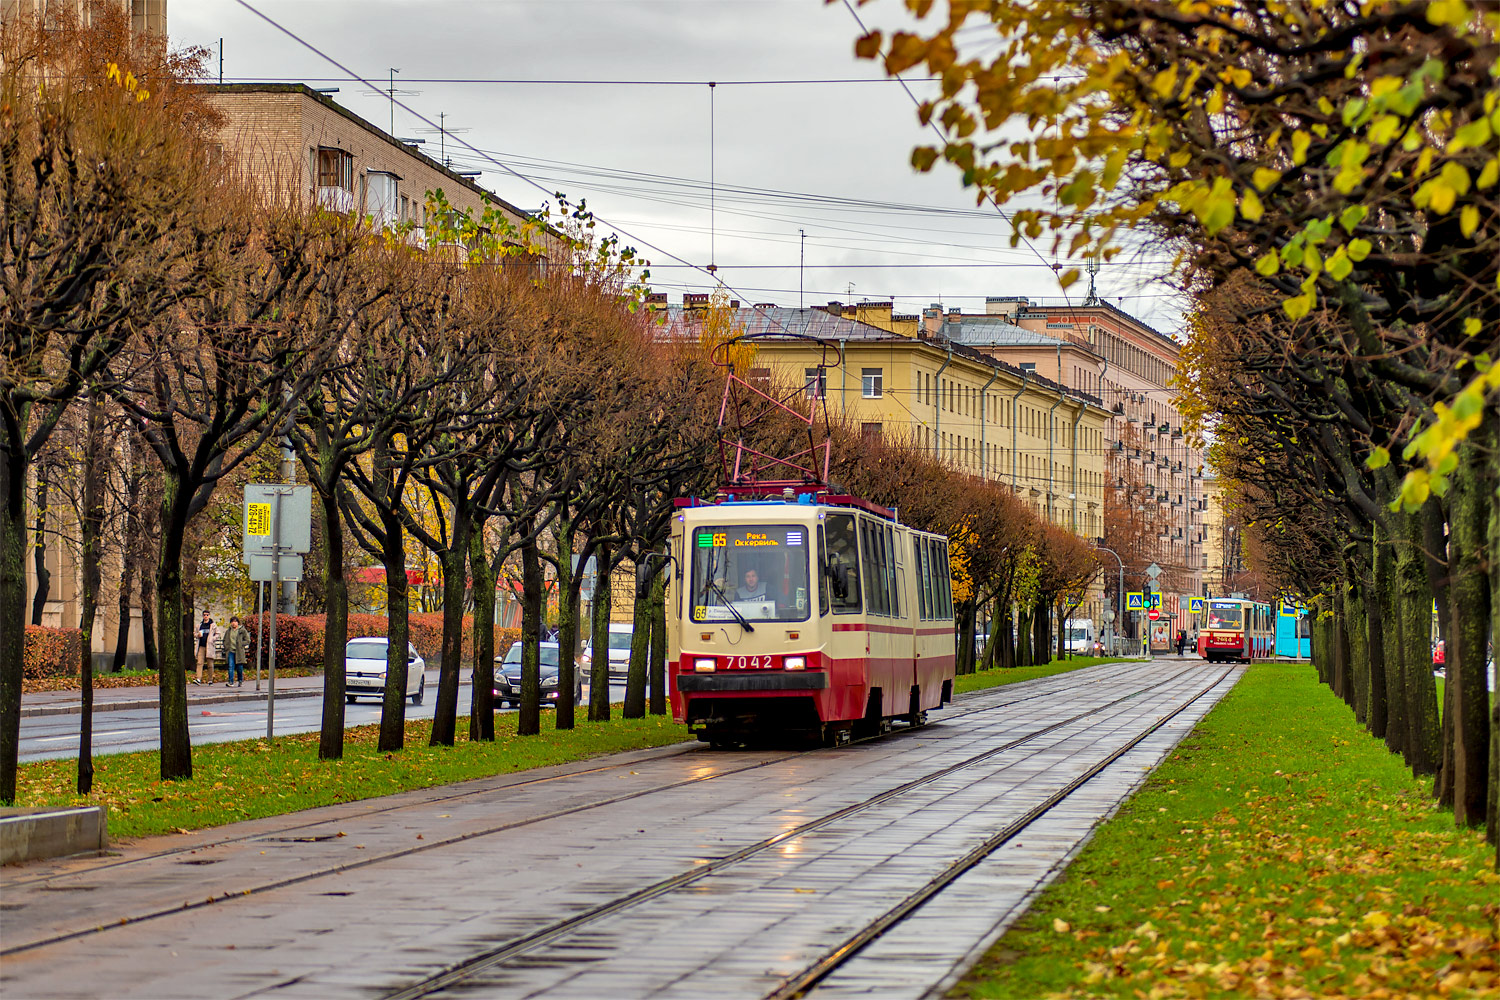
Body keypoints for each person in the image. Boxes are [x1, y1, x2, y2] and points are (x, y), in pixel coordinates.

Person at [223, 616, 251, 688]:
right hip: (231, 651)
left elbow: (248, 640)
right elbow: (225, 640)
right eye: (232, 622)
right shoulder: (228, 631)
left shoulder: (242, 630)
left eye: (235, 622)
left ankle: (240, 680)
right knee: (230, 666)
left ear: (238, 623)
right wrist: (226, 647)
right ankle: (231, 681)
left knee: (239, 667)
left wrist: (241, 643)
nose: (233, 623)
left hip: (239, 651)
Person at [194, 610, 217, 685]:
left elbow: (218, 633)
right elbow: (195, 633)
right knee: (199, 662)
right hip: (201, 646)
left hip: (209, 646)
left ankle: (210, 679)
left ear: (209, 615)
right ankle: (198, 678)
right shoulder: (200, 625)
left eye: (207, 615)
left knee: (210, 664)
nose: (205, 616)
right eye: (204, 615)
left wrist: (212, 639)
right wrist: (198, 635)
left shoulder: (212, 625)